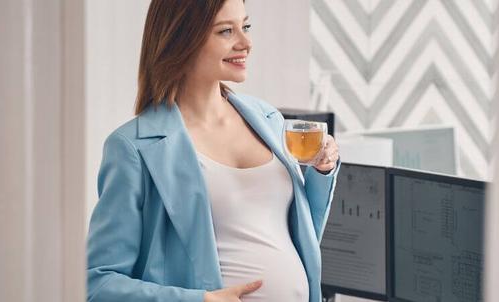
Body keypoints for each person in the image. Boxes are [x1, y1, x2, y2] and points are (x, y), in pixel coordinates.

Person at [85, 0, 341, 301]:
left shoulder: (268, 119)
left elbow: (296, 230)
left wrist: (322, 171)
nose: (245, 43)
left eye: (245, 27)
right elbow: (98, 284)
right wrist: (200, 301)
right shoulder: (132, 148)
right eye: (225, 32)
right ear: (183, 38)